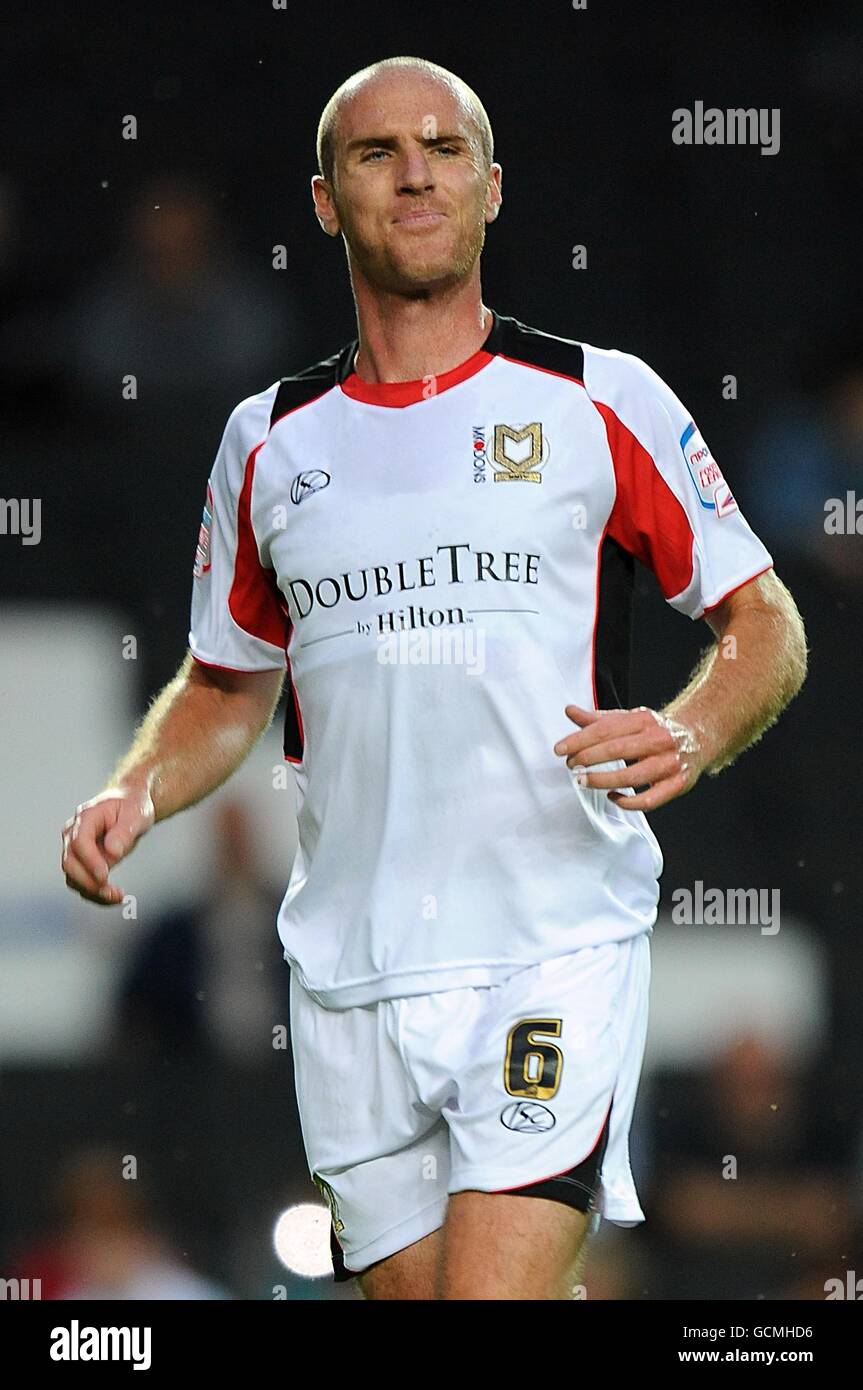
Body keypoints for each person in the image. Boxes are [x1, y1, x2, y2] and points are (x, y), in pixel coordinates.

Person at [61, 56, 808, 1301]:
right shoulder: (267, 440)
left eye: (443, 148)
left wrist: (688, 730)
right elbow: (226, 683)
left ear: (491, 187)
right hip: (352, 970)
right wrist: (134, 794)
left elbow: (763, 621)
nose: (414, 172)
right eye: (376, 152)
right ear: (321, 198)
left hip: (546, 940)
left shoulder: (593, 398)